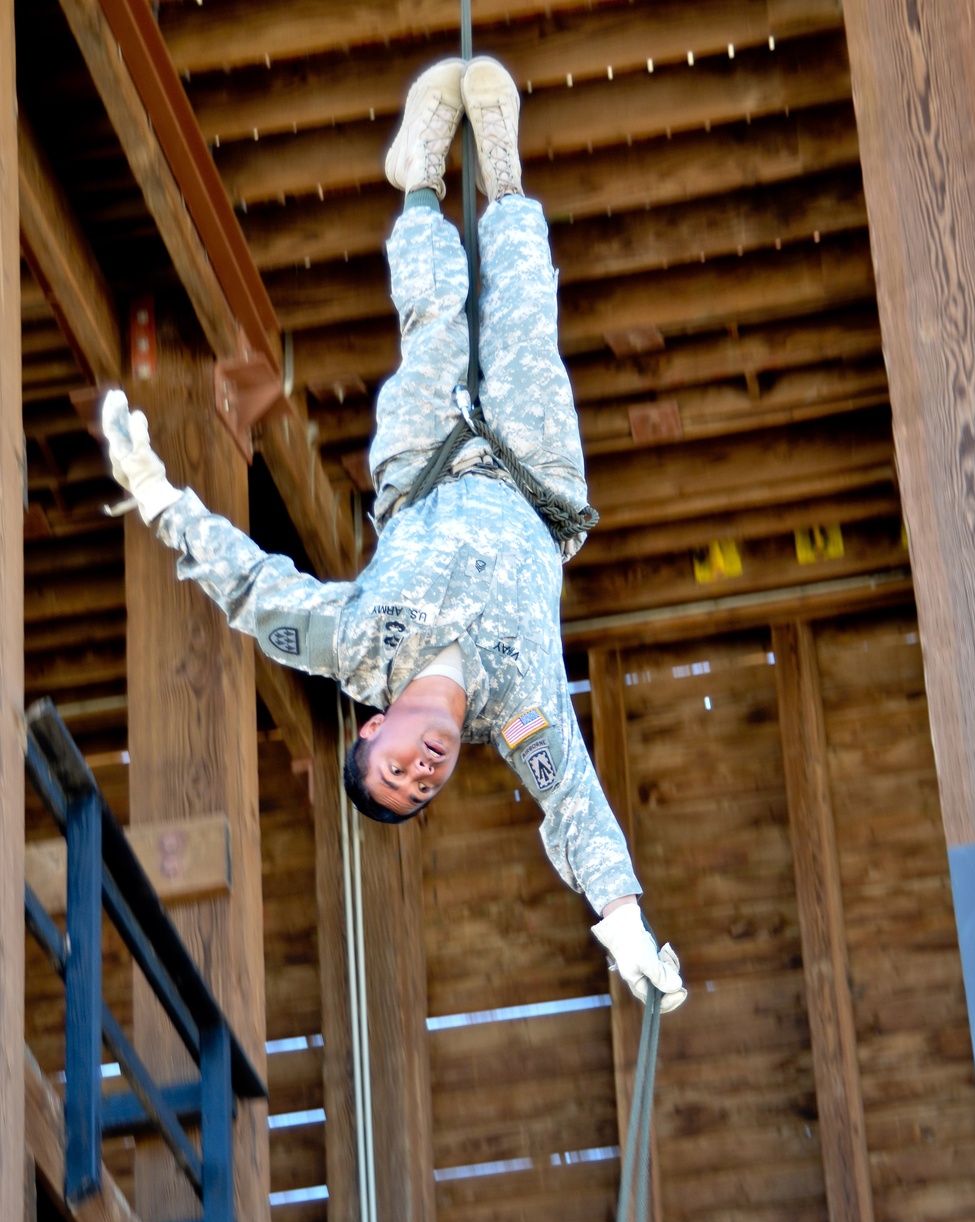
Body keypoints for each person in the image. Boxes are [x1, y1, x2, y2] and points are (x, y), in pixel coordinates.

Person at [101, 57, 686, 1011]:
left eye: (395, 771)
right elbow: (575, 810)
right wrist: (628, 934)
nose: (421, 774)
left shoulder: (356, 648)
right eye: (424, 790)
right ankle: (501, 172)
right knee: (526, 328)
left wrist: (164, 500)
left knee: (432, 328)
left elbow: (254, 592)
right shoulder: (520, 712)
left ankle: (418, 180)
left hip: (421, 465)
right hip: (536, 484)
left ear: (374, 728)